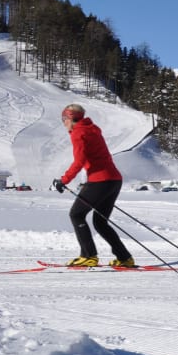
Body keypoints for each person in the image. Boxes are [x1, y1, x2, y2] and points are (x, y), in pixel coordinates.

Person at [52, 103, 135, 268]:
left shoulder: (78, 133)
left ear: (71, 118)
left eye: (64, 119)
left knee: (76, 214)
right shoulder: (93, 129)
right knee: (100, 222)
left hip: (100, 180)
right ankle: (125, 258)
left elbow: (79, 161)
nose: (63, 123)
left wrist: (64, 180)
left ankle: (88, 255)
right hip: (114, 180)